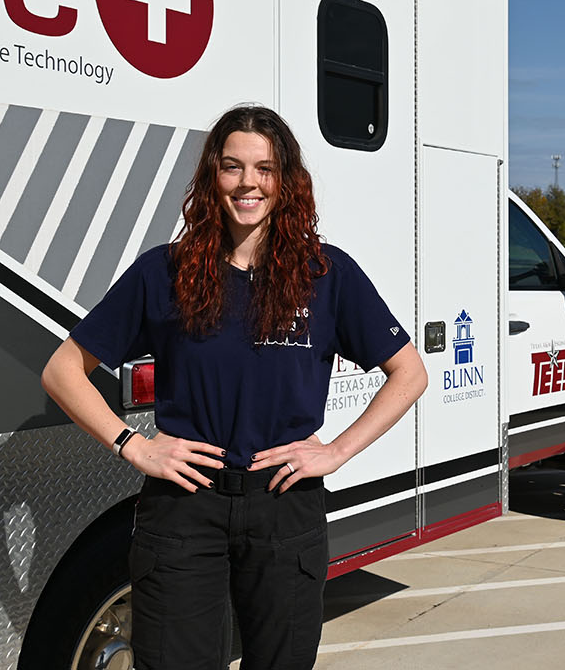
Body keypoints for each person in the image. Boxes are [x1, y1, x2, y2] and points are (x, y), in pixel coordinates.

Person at [41, 104, 427, 670]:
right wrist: (135, 445)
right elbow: (61, 370)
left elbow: (409, 373)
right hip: (184, 509)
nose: (248, 183)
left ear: (285, 181)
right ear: (212, 178)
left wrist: (337, 451)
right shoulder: (164, 272)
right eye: (232, 167)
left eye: (264, 169)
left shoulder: (326, 274)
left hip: (283, 505)